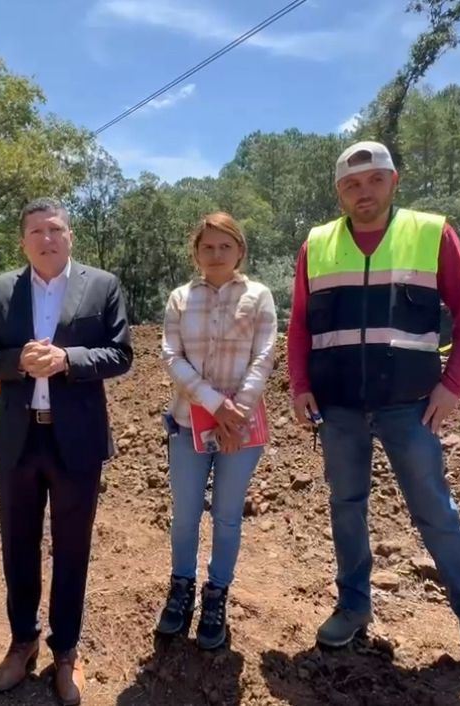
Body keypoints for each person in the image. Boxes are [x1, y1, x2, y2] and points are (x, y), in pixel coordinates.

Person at [288, 141, 460, 705]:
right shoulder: (317, 244)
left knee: (436, 515)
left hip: (410, 406)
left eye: (373, 180)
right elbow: (299, 325)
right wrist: (299, 386)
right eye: (351, 184)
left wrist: (453, 385)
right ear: (339, 192)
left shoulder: (429, 232)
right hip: (339, 406)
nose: (362, 192)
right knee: (346, 508)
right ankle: (352, 607)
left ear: (394, 181)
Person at [0, 198, 132, 706]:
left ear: (70, 236)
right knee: (17, 546)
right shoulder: (2, 290)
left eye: (56, 229)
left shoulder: (102, 286)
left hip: (75, 441)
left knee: (72, 548)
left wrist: (68, 359)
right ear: (23, 241)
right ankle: (22, 642)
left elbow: (120, 353)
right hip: (20, 441)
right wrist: (16, 361)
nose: (47, 238)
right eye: (36, 231)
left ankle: (66, 651)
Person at [156, 212, 276, 650]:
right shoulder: (180, 298)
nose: (216, 254)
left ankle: (216, 594)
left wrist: (236, 414)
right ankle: (181, 588)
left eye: (225, 246)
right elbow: (170, 355)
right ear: (196, 253)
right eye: (208, 247)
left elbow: (264, 357)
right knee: (185, 514)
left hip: (240, 430)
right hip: (189, 422)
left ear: (240, 251)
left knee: (227, 515)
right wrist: (213, 404)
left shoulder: (260, 296)